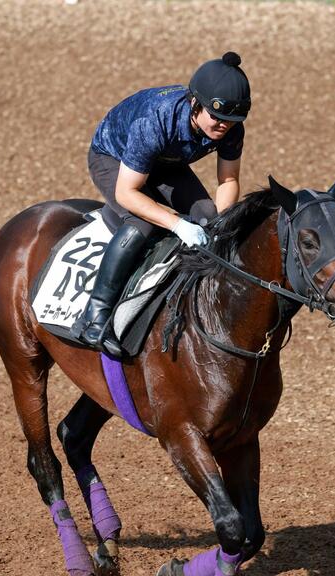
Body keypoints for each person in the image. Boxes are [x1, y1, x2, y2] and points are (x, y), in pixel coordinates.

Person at [78, 51, 251, 357]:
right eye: (217, 117)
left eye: (230, 120)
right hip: (114, 158)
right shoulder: (156, 120)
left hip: (165, 161)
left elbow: (228, 180)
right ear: (195, 103)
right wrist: (176, 223)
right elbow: (127, 193)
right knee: (141, 223)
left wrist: (221, 224)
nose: (223, 126)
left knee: (209, 217)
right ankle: (95, 314)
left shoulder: (230, 127)